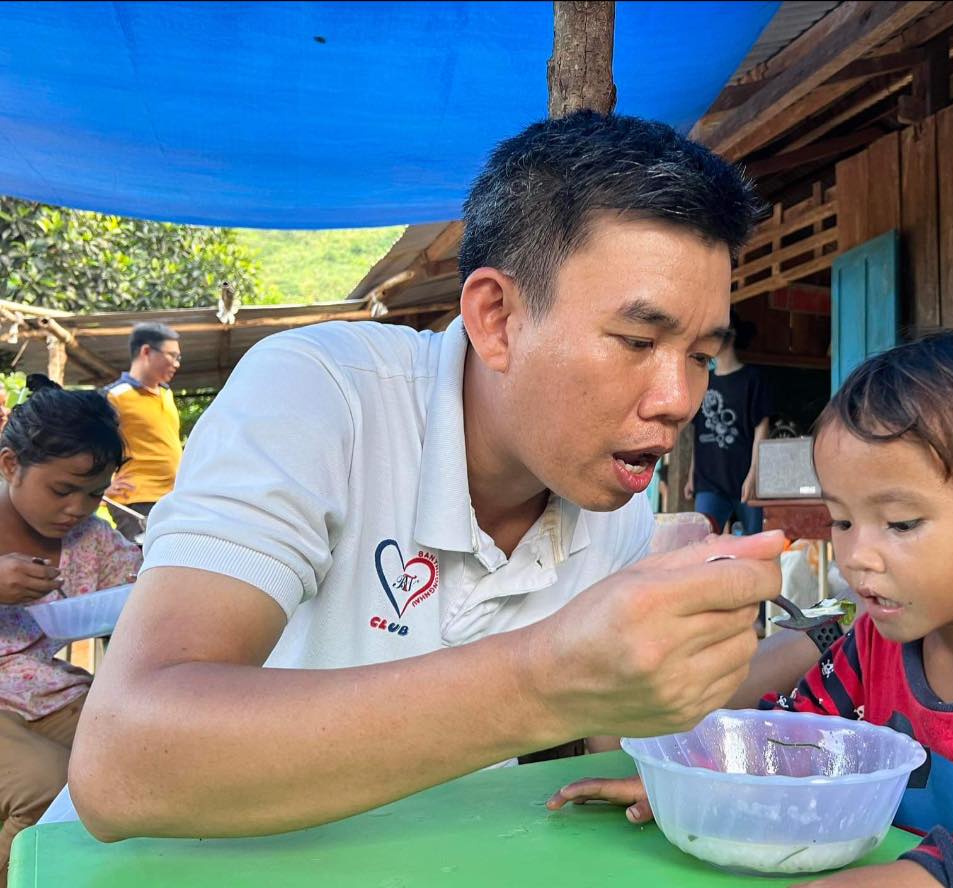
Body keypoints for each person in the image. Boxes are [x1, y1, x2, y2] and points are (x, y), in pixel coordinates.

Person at [69, 111, 822, 841]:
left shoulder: (615, 506)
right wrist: (544, 677)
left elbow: (609, 740)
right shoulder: (322, 396)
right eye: (635, 339)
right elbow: (124, 763)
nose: (678, 401)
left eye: (699, 356)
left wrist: (693, 695)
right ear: (497, 319)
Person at [548, 331, 953, 888]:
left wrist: (924, 876)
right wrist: (700, 785)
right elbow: (790, 743)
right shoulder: (877, 643)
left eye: (900, 523)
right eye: (841, 520)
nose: (856, 556)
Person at [0, 376, 140, 876]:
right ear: (11, 465)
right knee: (47, 785)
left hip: (48, 693)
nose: (76, 509)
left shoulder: (91, 541)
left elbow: (148, 578)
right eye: (62, 490)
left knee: (144, 756)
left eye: (94, 494)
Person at [685, 312, 772, 535]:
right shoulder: (704, 379)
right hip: (708, 481)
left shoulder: (752, 379)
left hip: (744, 477)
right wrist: (691, 476)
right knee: (702, 542)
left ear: (730, 335)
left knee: (754, 546)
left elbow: (762, 428)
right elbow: (698, 431)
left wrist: (754, 475)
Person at [103, 322, 183, 542]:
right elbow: (85, 444)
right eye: (172, 356)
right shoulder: (114, 396)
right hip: (137, 501)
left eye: (178, 358)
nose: (176, 364)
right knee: (146, 568)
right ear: (146, 351)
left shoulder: (166, 394)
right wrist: (102, 486)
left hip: (172, 498)